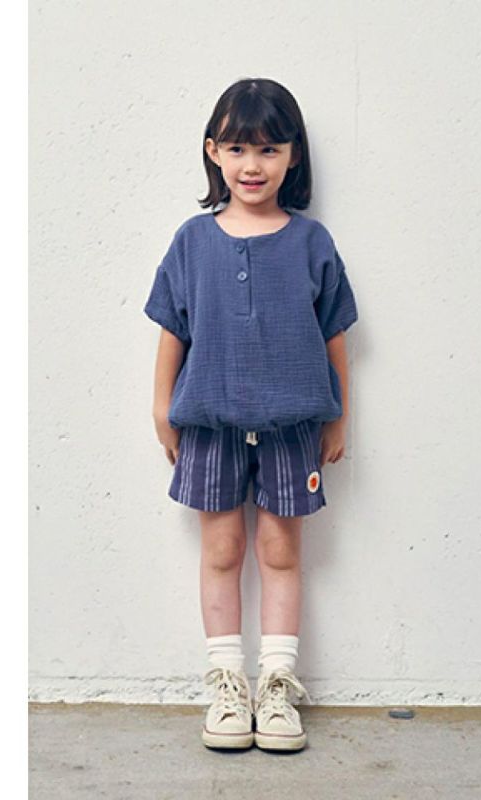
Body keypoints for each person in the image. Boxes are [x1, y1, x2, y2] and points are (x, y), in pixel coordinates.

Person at [143, 78, 358, 752]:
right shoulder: (192, 240)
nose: (253, 165)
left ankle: (277, 686)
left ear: (293, 156)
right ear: (213, 151)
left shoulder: (312, 242)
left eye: (269, 149)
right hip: (209, 425)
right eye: (237, 148)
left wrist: (339, 416)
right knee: (221, 552)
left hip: (294, 427)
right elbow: (173, 330)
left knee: (280, 552)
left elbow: (335, 335)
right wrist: (161, 407)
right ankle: (228, 686)